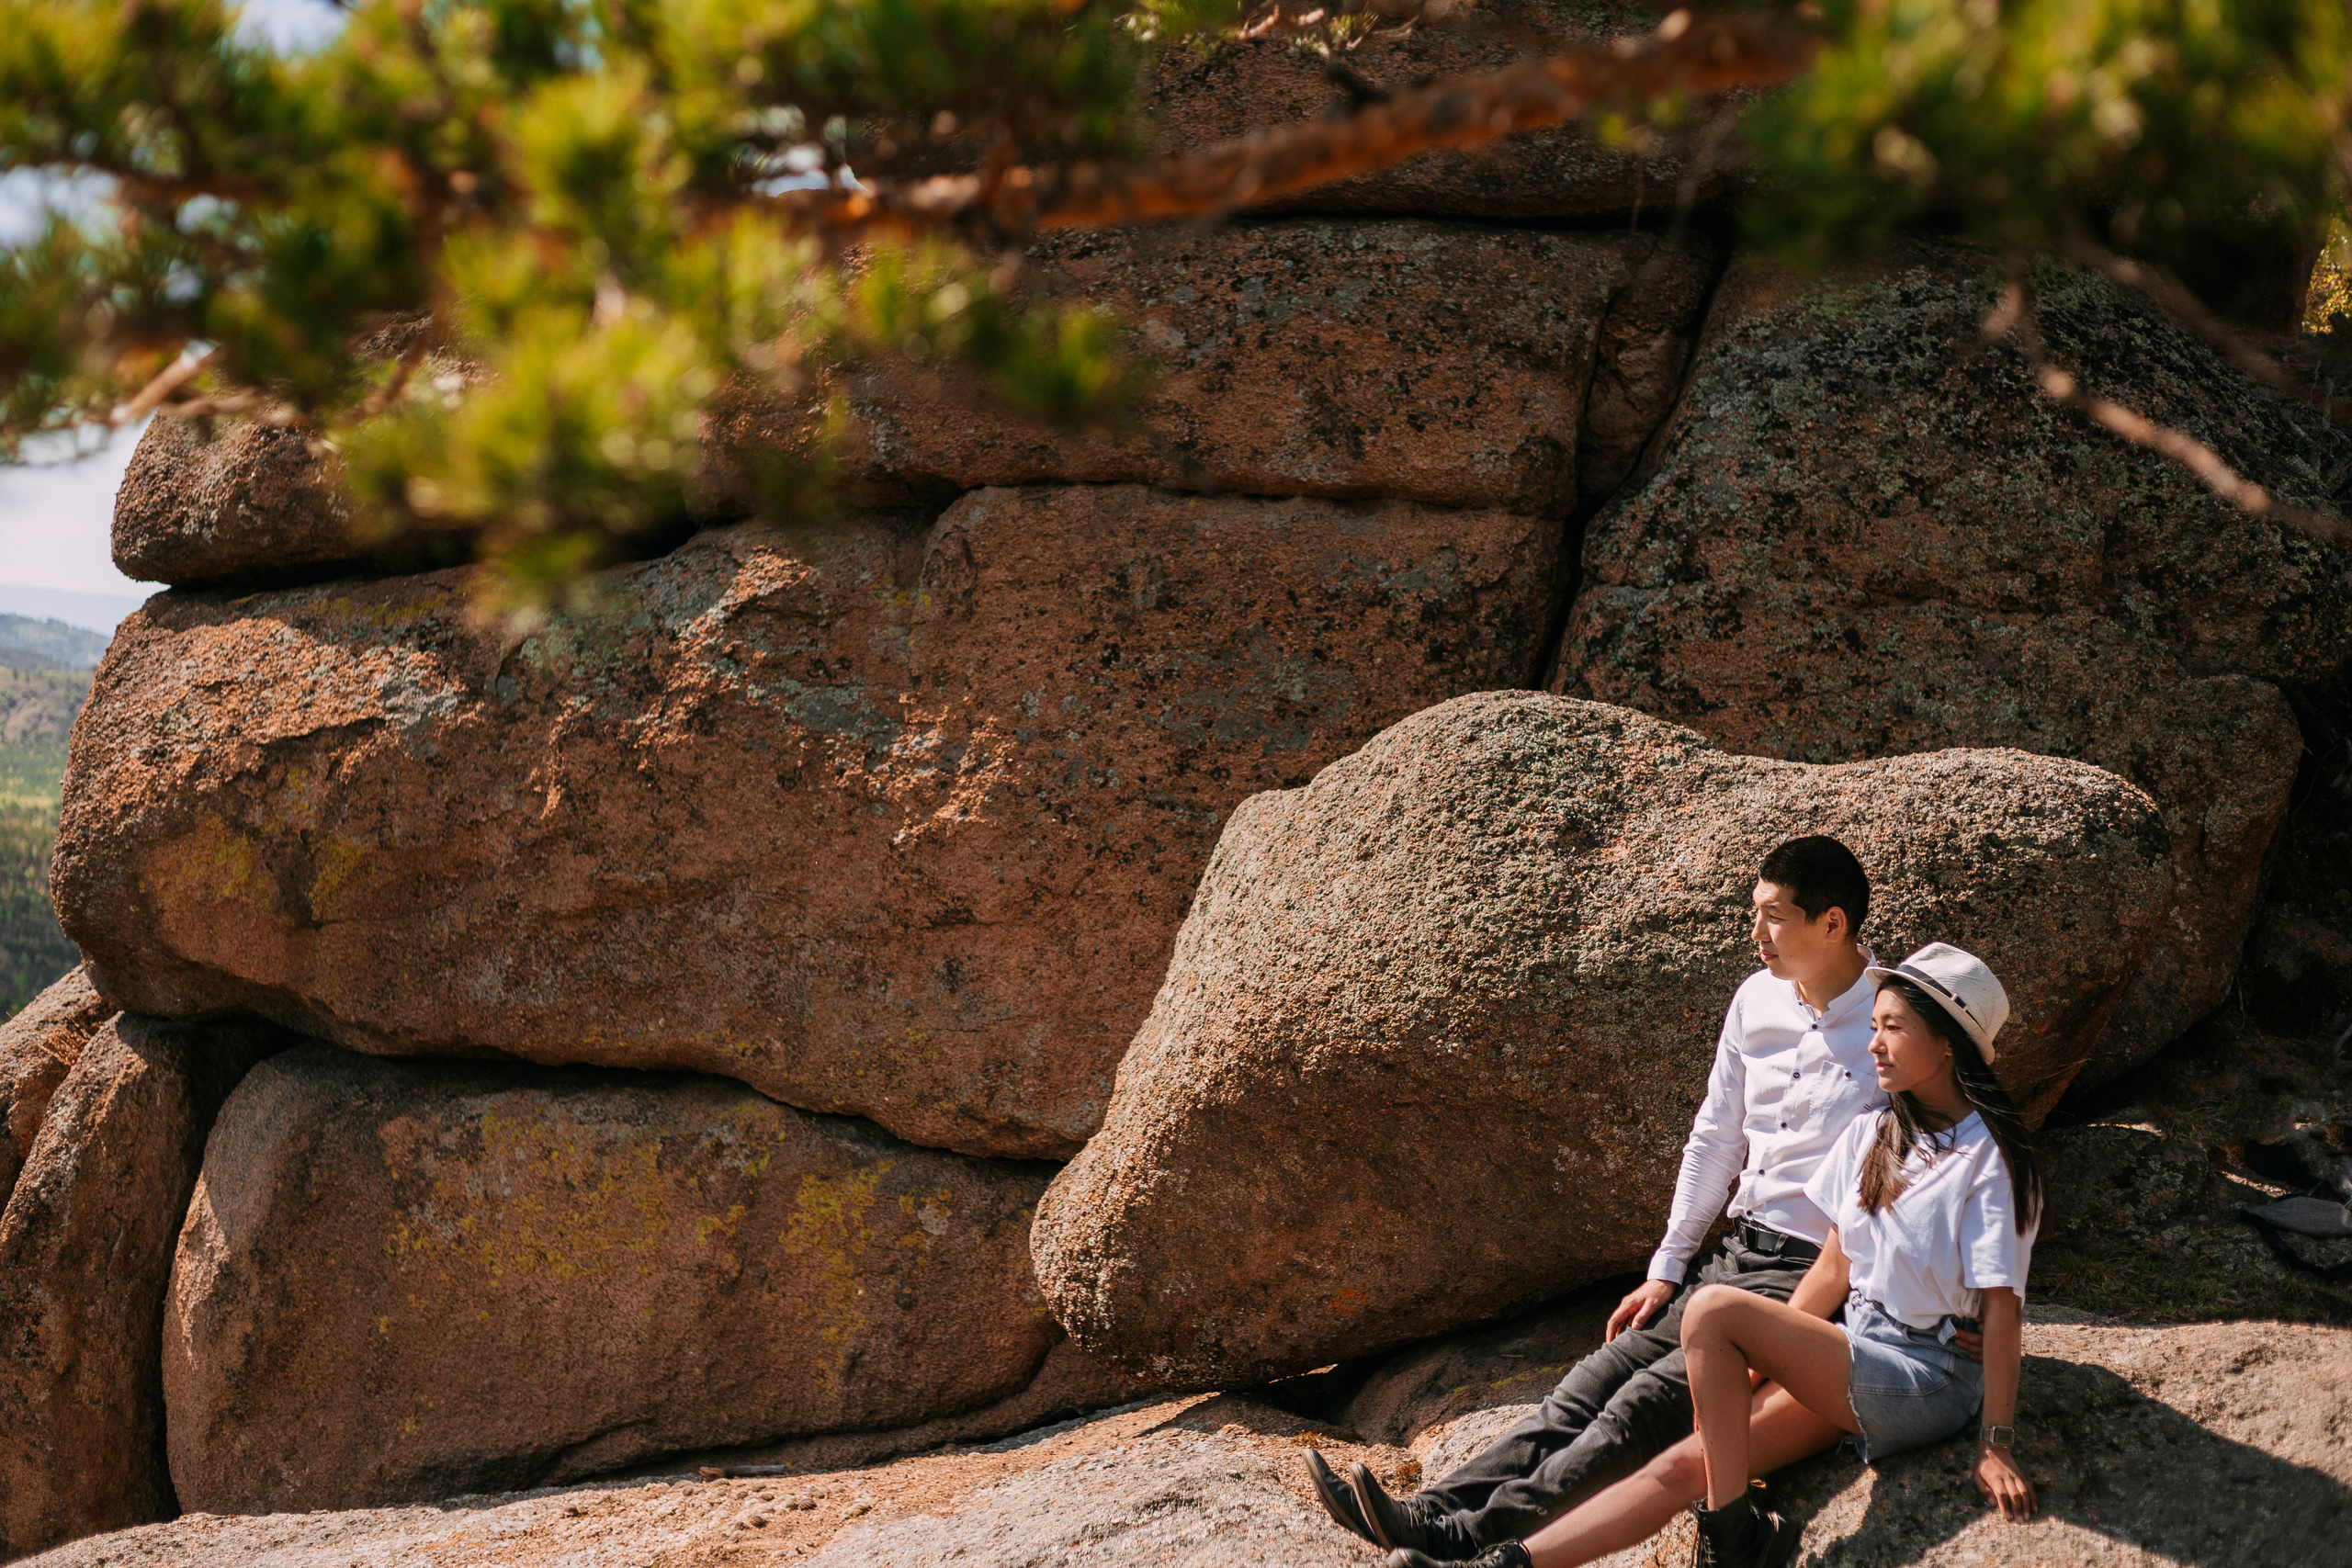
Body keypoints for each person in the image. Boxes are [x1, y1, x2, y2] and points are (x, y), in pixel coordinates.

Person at [1307, 836, 1944, 1558]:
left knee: (1641, 1409)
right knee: (1589, 1382)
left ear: (1833, 923)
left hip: (1811, 1272)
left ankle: (1464, 1538)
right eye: (1753, 911)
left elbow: (1946, 1148)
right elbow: (1715, 1137)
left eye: (1773, 915)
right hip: (1736, 1252)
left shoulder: (1896, 1023)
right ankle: (1428, 1508)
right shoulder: (1754, 1000)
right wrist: (1667, 1267)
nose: (1755, 932)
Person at [1380, 942, 2045, 1568]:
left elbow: (2002, 1311)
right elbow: (1835, 1270)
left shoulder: (1993, 1162)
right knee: (1684, 1462)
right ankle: (1506, 1560)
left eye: (1893, 1027)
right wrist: (1752, 1371)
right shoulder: (1878, 1133)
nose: (1874, 1042)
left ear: (1950, 1043)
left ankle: (1734, 1534)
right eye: (1873, 1024)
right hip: (1855, 1349)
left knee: (1713, 1309)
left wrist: (1996, 1444)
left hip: (1926, 1373)